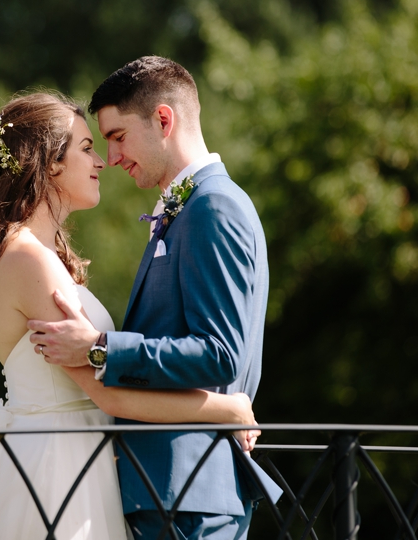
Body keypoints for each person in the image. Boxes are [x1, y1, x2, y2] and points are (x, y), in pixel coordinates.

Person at [0, 92, 259, 540]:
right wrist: (229, 408)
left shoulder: (42, 256)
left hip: (79, 466)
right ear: (49, 163)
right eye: (87, 147)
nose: (102, 161)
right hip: (53, 478)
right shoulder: (28, 259)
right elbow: (107, 396)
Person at [29, 58, 282, 540]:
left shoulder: (214, 206)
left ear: (163, 120)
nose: (112, 155)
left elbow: (220, 354)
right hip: (169, 488)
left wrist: (99, 348)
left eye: (118, 136)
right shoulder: (190, 207)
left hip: (187, 489)